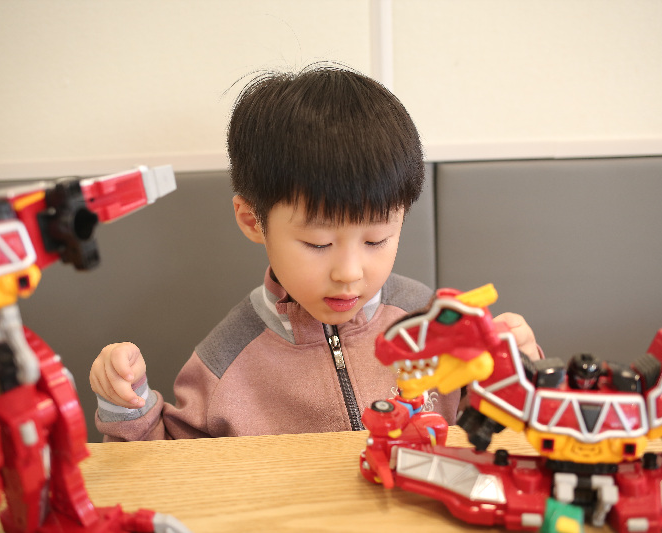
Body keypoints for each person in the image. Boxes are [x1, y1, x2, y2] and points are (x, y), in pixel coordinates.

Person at [89, 63, 541, 441]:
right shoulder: (226, 359)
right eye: (318, 244)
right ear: (253, 221)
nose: (349, 272)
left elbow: (501, 435)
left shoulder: (430, 322)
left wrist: (518, 369)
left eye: (376, 241)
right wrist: (128, 406)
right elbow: (169, 472)